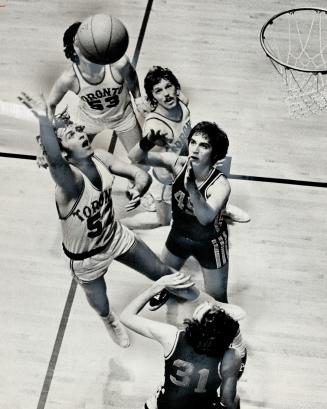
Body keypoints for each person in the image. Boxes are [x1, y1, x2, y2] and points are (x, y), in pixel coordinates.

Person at [18, 92, 179, 349]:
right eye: (71, 136)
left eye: (79, 130)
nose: (82, 135)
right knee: (101, 303)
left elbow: (139, 174)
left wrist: (138, 187)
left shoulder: (100, 157)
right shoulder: (70, 183)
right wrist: (41, 118)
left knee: (161, 272)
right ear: (64, 153)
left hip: (114, 235)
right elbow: (55, 161)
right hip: (86, 257)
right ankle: (109, 320)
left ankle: (200, 304)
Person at [122, 66, 249, 229]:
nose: (166, 93)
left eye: (168, 86)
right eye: (158, 91)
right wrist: (149, 142)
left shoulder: (182, 102)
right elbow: (142, 159)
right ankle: (120, 224)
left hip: (189, 164)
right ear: (152, 97)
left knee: (214, 180)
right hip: (168, 180)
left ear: (176, 88)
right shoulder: (155, 126)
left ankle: (221, 208)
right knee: (163, 220)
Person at [129, 121, 231, 302]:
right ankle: (169, 293)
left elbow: (206, 218)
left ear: (215, 154)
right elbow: (136, 158)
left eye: (204, 145)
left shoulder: (220, 184)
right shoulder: (177, 164)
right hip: (179, 233)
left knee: (217, 299)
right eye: (193, 142)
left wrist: (191, 188)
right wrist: (147, 142)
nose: (195, 149)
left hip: (209, 243)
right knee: (164, 278)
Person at [36, 22, 148, 174]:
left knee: (141, 160)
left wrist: (138, 98)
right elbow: (51, 105)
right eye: (79, 42)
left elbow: (132, 78)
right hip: (89, 121)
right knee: (73, 160)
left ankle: (135, 184)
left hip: (123, 117)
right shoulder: (69, 78)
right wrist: (45, 146)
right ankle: (89, 189)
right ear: (72, 50)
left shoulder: (118, 63)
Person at [120, 273, 244, 409]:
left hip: (165, 405)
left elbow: (126, 316)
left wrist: (156, 287)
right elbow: (228, 404)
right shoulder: (231, 357)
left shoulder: (171, 336)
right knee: (235, 399)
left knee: (155, 402)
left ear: (195, 324)